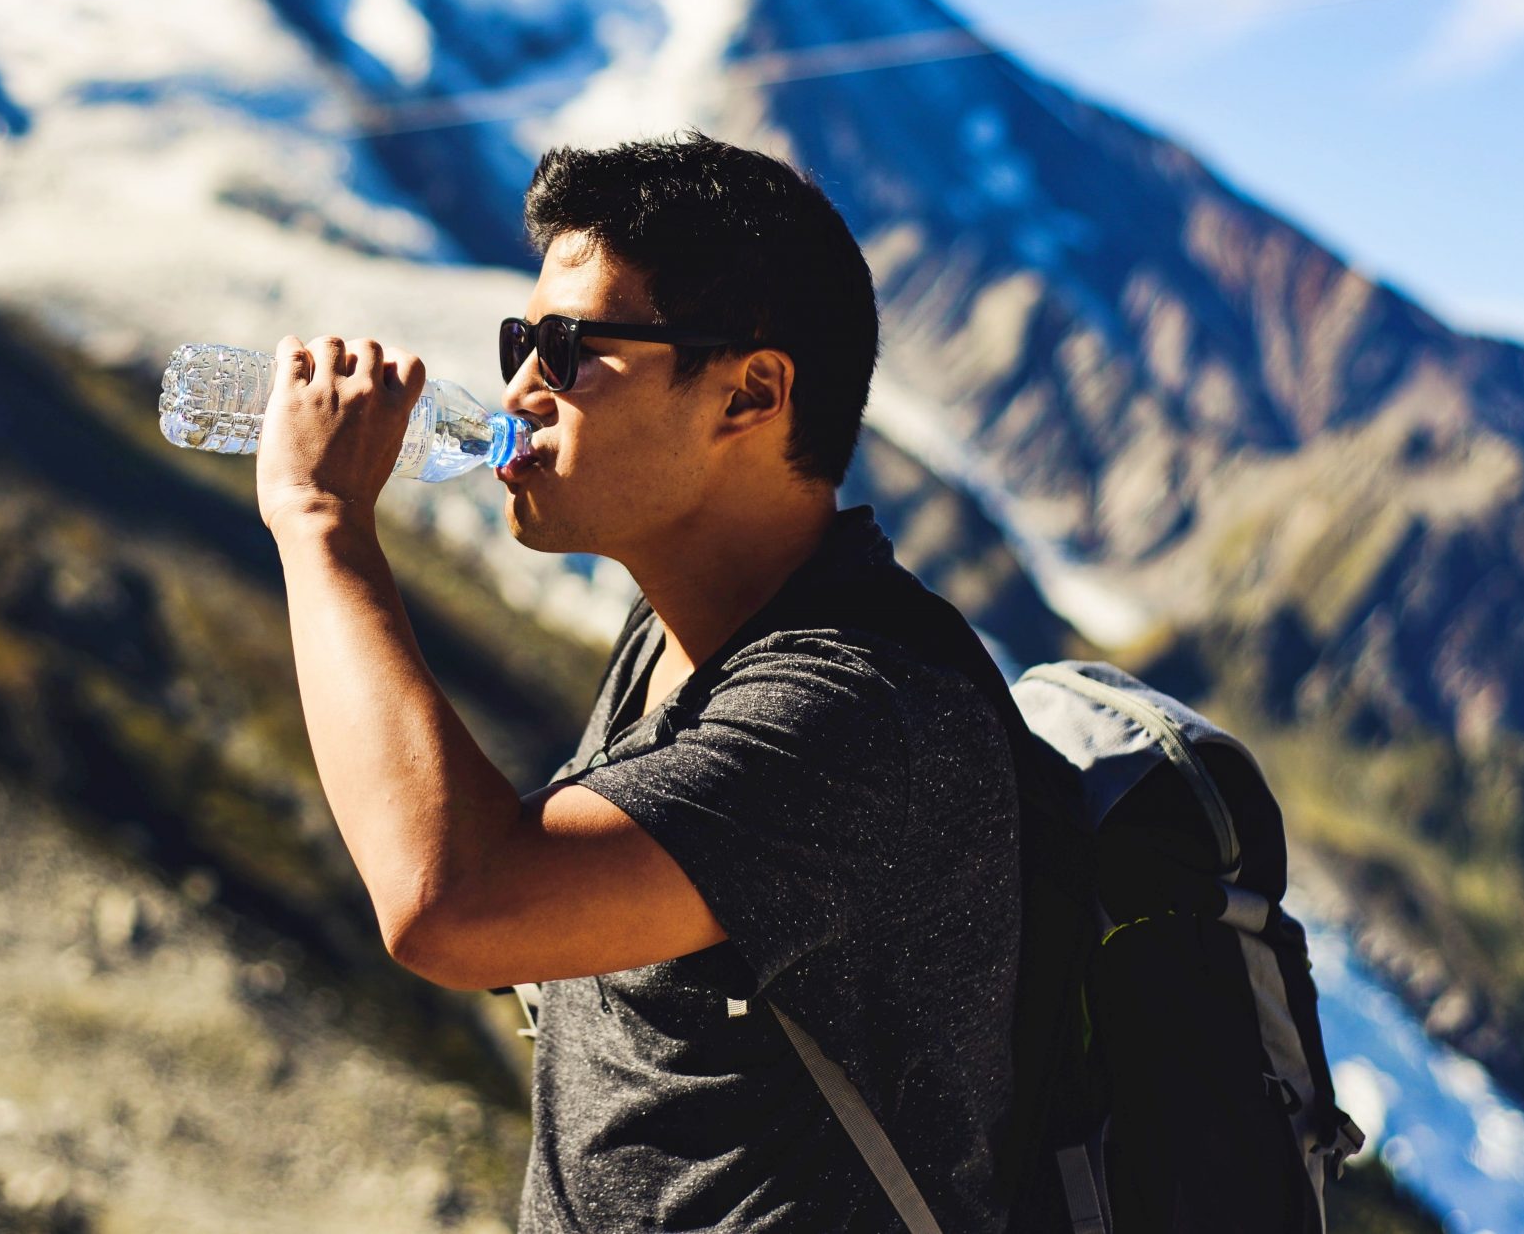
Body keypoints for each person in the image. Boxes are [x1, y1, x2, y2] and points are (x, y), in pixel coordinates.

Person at [256, 130, 1040, 1233]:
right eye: (522, 338)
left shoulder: (855, 709)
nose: (521, 386)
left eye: (569, 349)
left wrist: (320, 520)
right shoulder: (682, 632)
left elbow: (456, 902)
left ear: (750, 393)